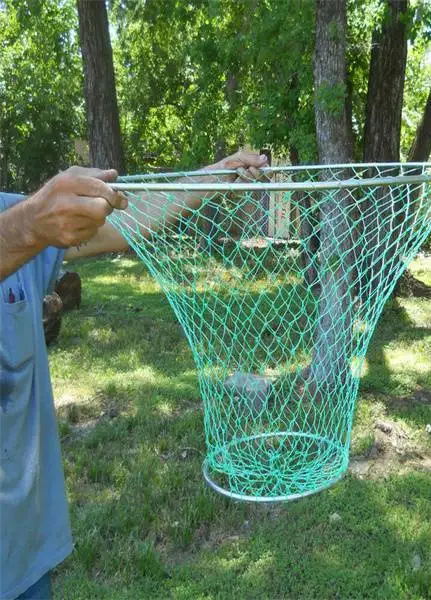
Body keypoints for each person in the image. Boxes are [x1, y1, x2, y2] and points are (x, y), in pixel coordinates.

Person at [0, 151, 268, 600]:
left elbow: (125, 217)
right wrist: (27, 226)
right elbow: (27, 226)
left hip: (21, 553)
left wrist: (213, 175)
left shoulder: (13, 210)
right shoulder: (21, 220)